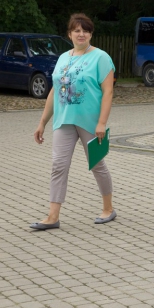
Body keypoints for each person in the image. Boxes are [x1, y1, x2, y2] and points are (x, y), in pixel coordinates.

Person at [31, 13, 116, 230]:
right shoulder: (62, 58)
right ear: (69, 34)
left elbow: (108, 92)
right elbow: (54, 92)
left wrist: (102, 123)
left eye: (86, 30)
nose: (81, 34)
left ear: (91, 34)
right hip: (64, 121)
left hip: (90, 121)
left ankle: (108, 208)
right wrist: (42, 122)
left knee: (97, 164)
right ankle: (53, 216)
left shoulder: (101, 58)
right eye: (77, 30)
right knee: (58, 165)